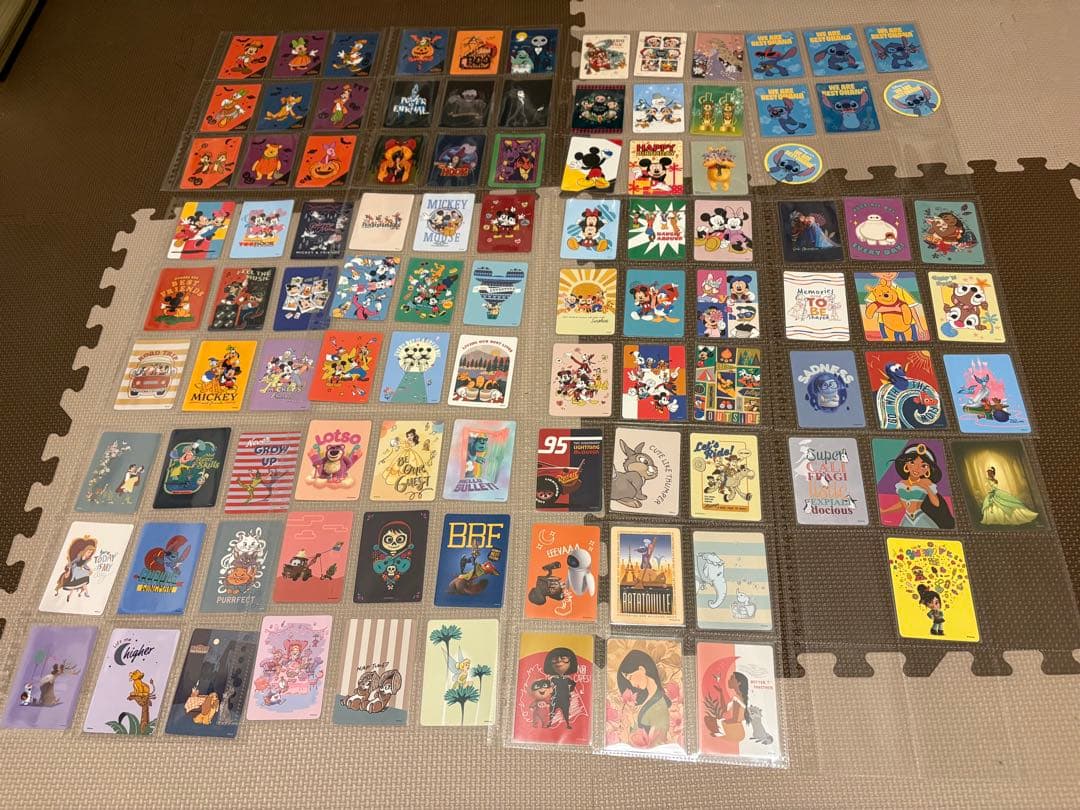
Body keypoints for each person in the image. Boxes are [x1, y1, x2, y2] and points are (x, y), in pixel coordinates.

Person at [881, 443, 955, 529]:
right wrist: (885, 511)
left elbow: (936, 503)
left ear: (928, 470)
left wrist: (927, 488)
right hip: (907, 519)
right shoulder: (901, 484)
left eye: (923, 465)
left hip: (921, 519)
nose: (917, 468)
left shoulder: (927, 482)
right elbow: (901, 504)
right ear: (906, 465)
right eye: (912, 462)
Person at [615, 649, 670, 741]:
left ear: (642, 669)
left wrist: (627, 737)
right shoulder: (649, 698)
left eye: (630, 677)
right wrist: (631, 723)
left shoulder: (660, 705)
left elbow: (658, 741)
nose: (632, 684)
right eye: (628, 680)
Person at [543, 647, 578, 729]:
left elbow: (573, 685)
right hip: (555, 698)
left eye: (564, 658)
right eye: (555, 659)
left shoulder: (568, 679)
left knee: (565, 712)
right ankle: (550, 723)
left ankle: (567, 724)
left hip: (565, 699)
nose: (559, 661)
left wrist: (568, 692)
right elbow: (548, 687)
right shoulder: (553, 679)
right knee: (552, 711)